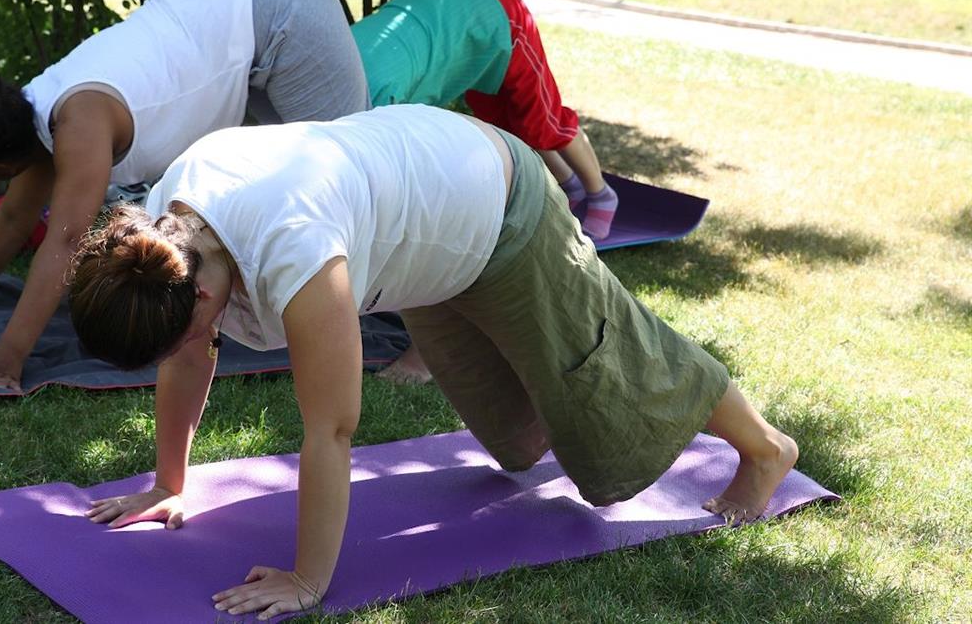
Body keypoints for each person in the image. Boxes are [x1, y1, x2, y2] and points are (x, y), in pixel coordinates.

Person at [68, 105, 798, 620]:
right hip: (425, 246)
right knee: (516, 447)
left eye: (183, 333)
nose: (189, 349)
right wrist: (168, 482)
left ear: (198, 292)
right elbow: (187, 356)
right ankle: (560, 382)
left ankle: (765, 448)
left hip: (501, 209)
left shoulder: (294, 248)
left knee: (611, 408)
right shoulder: (163, 232)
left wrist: (308, 580)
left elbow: (331, 429)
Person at [0, 0, 369, 390]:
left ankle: (425, 342)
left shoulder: (80, 121)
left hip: (274, 2)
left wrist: (11, 352)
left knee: (356, 174)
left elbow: (68, 240)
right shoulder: (31, 118)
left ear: (0, 164)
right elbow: (13, 218)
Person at [353, 0, 616, 240]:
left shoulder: (372, 103)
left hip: (495, 12)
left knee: (544, 121)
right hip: (455, 25)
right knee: (508, 124)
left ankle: (601, 194)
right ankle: (569, 186)